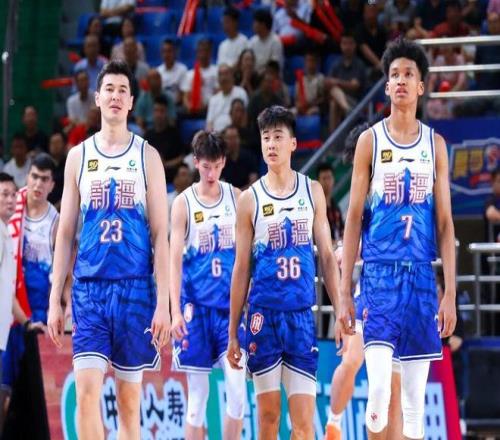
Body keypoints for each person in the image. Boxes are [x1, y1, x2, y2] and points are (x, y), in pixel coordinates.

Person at [336, 38, 457, 440]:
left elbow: (445, 224)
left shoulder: (435, 145)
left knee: (414, 410)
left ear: (421, 86)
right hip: (379, 277)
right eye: (394, 75)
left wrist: (450, 292)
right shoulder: (370, 141)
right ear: (386, 86)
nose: (401, 80)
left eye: (408, 74)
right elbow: (353, 218)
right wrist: (344, 291)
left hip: (420, 278)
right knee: (378, 396)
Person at [47, 60, 170, 440]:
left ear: (131, 101)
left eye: (122, 90)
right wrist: (55, 299)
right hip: (89, 291)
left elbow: (161, 234)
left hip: (135, 290)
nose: (115, 96)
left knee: (129, 406)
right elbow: (65, 233)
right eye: (109, 89)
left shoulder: (147, 156)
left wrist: (164, 303)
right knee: (87, 396)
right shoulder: (78, 156)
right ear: (97, 98)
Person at [227, 106, 340, 438]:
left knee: (303, 425)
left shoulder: (312, 191)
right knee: (268, 419)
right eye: (266, 138)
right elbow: (241, 268)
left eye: (278, 137)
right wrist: (233, 332)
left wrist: (341, 309)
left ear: (293, 144)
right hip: (264, 317)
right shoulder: (249, 200)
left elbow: (327, 257)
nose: (271, 144)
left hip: (301, 316)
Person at [324, 124, 402, 440]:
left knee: (394, 383)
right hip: (370, 289)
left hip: (401, 290)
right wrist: (342, 305)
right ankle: (333, 423)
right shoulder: (362, 193)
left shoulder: (395, 185)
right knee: (354, 359)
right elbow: (347, 248)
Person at [170, 131, 246, 439]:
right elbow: (173, 261)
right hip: (196, 309)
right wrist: (175, 311)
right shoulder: (183, 204)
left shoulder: (237, 198)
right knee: (197, 398)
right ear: (196, 163)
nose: (211, 173)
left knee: (238, 394)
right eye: (205, 167)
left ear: (224, 162)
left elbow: (248, 255)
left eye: (216, 166)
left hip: (229, 310)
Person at [2, 154, 58, 397]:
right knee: (6, 384)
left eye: (44, 179)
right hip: (8, 307)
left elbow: (63, 270)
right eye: (34, 177)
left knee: (32, 388)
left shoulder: (55, 221)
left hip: (38, 309)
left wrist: (59, 306)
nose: (38, 184)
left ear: (52, 185)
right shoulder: (11, 207)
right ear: (27, 177)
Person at [485, 167, 500, 242]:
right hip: (492, 247)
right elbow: (490, 214)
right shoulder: (490, 200)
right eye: (499, 181)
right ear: (492, 182)